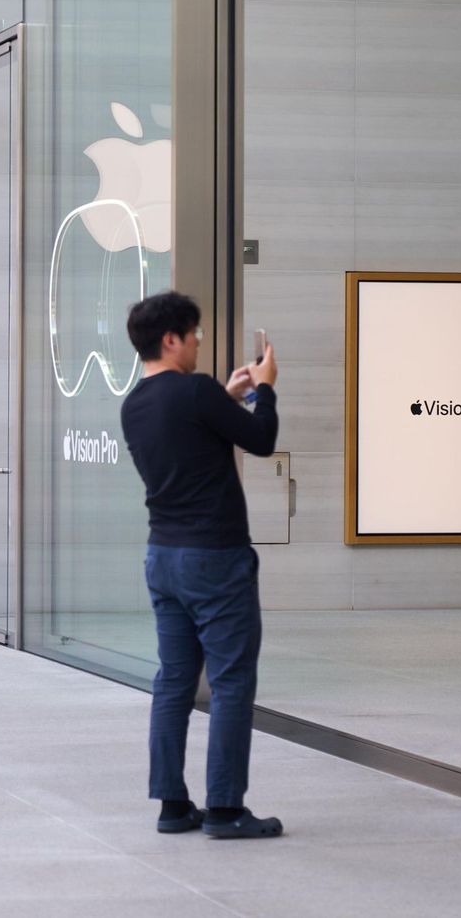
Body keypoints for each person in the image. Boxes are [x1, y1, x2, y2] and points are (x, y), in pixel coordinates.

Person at [119, 291, 283, 840]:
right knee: (232, 681)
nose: (197, 344)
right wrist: (264, 389)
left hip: (162, 556)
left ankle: (172, 804)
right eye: (194, 336)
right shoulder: (196, 392)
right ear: (171, 339)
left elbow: (193, 433)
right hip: (215, 558)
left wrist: (227, 396)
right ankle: (226, 809)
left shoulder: (134, 403)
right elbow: (261, 440)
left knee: (173, 682)